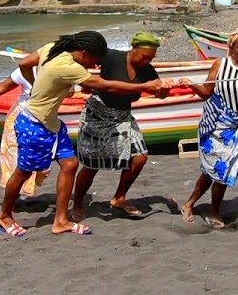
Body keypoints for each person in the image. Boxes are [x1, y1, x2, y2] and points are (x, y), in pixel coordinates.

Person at [0, 31, 163, 237]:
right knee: (24, 172)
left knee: (70, 164)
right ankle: (4, 215)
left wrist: (34, 86)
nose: (95, 66)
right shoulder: (68, 67)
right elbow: (104, 85)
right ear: (84, 53)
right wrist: (144, 86)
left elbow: (24, 63)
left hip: (53, 123)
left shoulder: (52, 48)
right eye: (94, 61)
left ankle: (60, 221)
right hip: (34, 123)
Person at [71, 31, 173, 221]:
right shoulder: (111, 56)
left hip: (123, 116)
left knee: (140, 157)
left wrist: (165, 89)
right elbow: (83, 58)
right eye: (144, 56)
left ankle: (119, 197)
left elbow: (159, 94)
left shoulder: (146, 70)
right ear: (134, 48)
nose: (147, 61)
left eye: (151, 58)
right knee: (92, 165)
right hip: (99, 114)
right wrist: (81, 81)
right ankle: (77, 203)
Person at [180, 29, 238, 229]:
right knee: (214, 170)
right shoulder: (220, 64)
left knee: (223, 170)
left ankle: (210, 208)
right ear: (231, 48)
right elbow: (206, 92)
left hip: (237, 128)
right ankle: (194, 205)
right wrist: (191, 85)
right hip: (215, 125)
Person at [0, 65, 48, 198]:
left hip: (42, 119)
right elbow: (0, 88)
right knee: (15, 159)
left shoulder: (58, 69)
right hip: (20, 117)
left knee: (40, 161)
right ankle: (13, 198)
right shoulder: (26, 70)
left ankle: (18, 194)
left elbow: (69, 91)